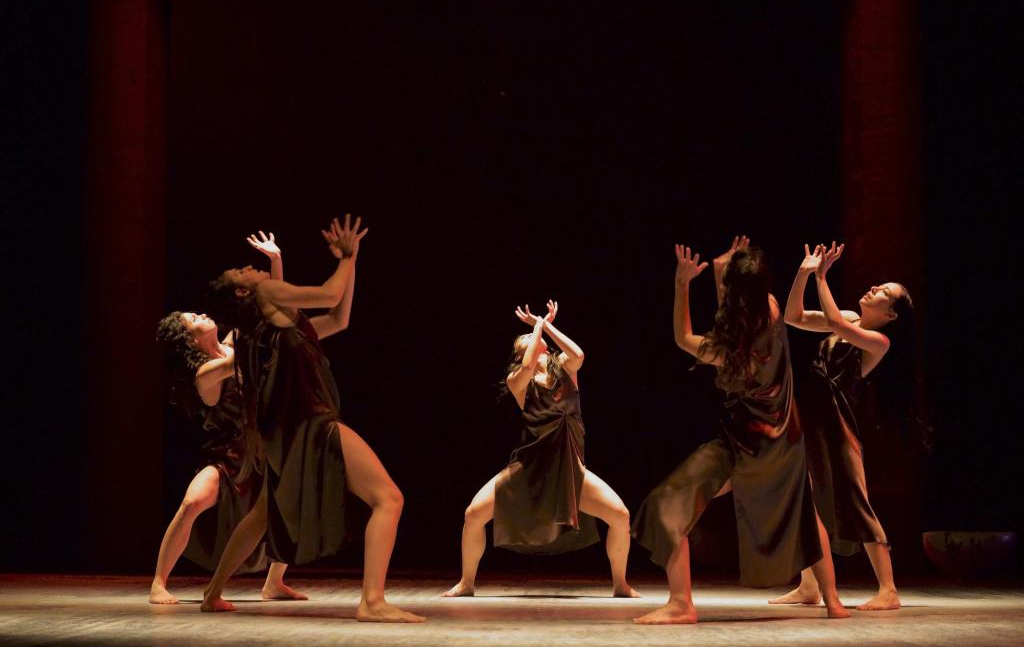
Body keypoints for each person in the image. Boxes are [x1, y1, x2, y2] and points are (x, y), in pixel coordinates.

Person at [199, 215, 424, 623]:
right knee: (388, 498)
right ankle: (372, 601)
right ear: (242, 290)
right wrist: (347, 257)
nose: (250, 267)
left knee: (263, 515)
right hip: (312, 421)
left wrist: (351, 260)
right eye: (242, 271)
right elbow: (328, 294)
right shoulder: (266, 293)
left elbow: (339, 318)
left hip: (287, 432)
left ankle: (212, 593)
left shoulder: (269, 327)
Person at [632, 239, 849, 624]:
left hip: (743, 446)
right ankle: (833, 601)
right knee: (803, 512)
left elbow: (683, 337)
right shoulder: (772, 310)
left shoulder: (726, 350)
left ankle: (681, 603)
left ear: (734, 293)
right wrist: (722, 273)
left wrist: (682, 283)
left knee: (667, 504)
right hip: (785, 439)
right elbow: (740, 313)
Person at [443, 301, 640, 599]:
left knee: (620, 515)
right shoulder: (518, 383)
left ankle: (620, 584)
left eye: (537, 339)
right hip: (528, 470)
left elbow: (578, 354)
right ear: (521, 355)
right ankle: (466, 582)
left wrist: (546, 324)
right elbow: (526, 367)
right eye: (528, 341)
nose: (535, 341)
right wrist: (536, 326)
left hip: (569, 471)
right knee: (473, 515)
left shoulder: (566, 371)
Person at [151, 232, 302, 605]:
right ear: (189, 340)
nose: (201, 314)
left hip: (259, 446)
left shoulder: (234, 341)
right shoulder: (205, 372)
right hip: (226, 454)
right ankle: (158, 582)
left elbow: (271, 312)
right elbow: (246, 353)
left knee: (288, 506)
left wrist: (276, 262)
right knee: (193, 502)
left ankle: (274, 582)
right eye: (193, 319)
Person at [772, 242, 911, 611]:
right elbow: (794, 316)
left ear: (891, 314)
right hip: (811, 418)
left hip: (837, 423)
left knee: (855, 499)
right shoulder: (849, 316)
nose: (874, 288)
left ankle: (888, 589)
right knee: (806, 500)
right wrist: (804, 273)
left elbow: (833, 323)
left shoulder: (879, 342)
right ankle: (809, 586)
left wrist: (822, 277)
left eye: (884, 293)